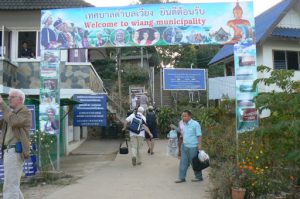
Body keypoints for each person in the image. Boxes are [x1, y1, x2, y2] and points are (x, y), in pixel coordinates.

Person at [0, 89, 32, 199]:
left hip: (15, 151)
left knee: (10, 186)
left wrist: (2, 105)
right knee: (13, 185)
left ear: (20, 99)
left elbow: (15, 121)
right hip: (9, 151)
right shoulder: (11, 113)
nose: (8, 98)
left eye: (12, 96)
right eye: (9, 96)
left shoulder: (25, 112)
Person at [175, 110, 203, 183]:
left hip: (193, 147)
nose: (183, 117)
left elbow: (199, 135)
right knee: (183, 162)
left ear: (189, 116)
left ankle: (199, 177)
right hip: (184, 146)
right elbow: (182, 134)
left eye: (185, 116)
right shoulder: (183, 124)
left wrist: (199, 145)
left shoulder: (195, 124)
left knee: (194, 163)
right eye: (182, 116)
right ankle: (181, 178)